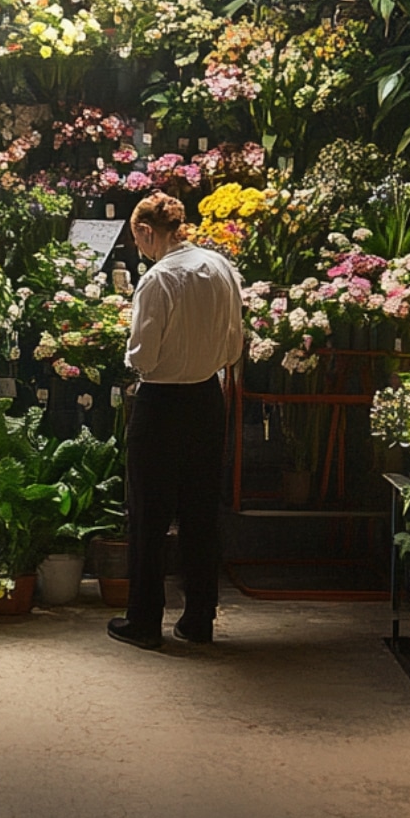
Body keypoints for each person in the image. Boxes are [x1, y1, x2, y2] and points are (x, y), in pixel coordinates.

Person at [107, 192, 244, 651]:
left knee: (148, 513)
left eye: (136, 237)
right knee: (201, 512)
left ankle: (144, 620)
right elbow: (233, 344)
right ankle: (199, 617)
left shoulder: (157, 279)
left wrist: (138, 364)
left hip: (161, 403)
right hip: (208, 398)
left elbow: (142, 354)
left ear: (146, 232)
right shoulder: (220, 267)